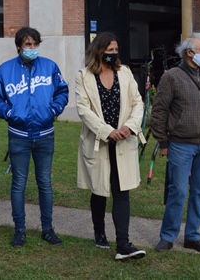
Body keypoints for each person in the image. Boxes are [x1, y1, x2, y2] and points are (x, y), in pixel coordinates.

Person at [0, 26, 69, 248]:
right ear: (19, 47)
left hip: (45, 135)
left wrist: (53, 110)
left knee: (45, 182)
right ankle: (20, 230)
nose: (32, 49)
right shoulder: (5, 70)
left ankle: (48, 229)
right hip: (19, 136)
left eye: (35, 45)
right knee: (19, 183)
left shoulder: (50, 67)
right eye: (27, 45)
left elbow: (62, 91)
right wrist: (9, 113)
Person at [75, 32, 147, 260]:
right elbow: (83, 110)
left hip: (124, 140)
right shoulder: (84, 76)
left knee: (121, 190)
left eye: (116, 50)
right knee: (100, 191)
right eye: (109, 51)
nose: (113, 54)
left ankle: (123, 244)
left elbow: (137, 102)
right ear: (98, 51)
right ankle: (99, 232)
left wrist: (129, 127)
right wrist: (108, 132)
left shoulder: (124, 73)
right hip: (100, 141)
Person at [151, 37, 200, 254]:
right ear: (190, 53)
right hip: (181, 145)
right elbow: (159, 111)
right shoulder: (172, 78)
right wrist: (163, 141)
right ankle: (168, 237)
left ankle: (193, 236)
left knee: (199, 192)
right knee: (178, 191)